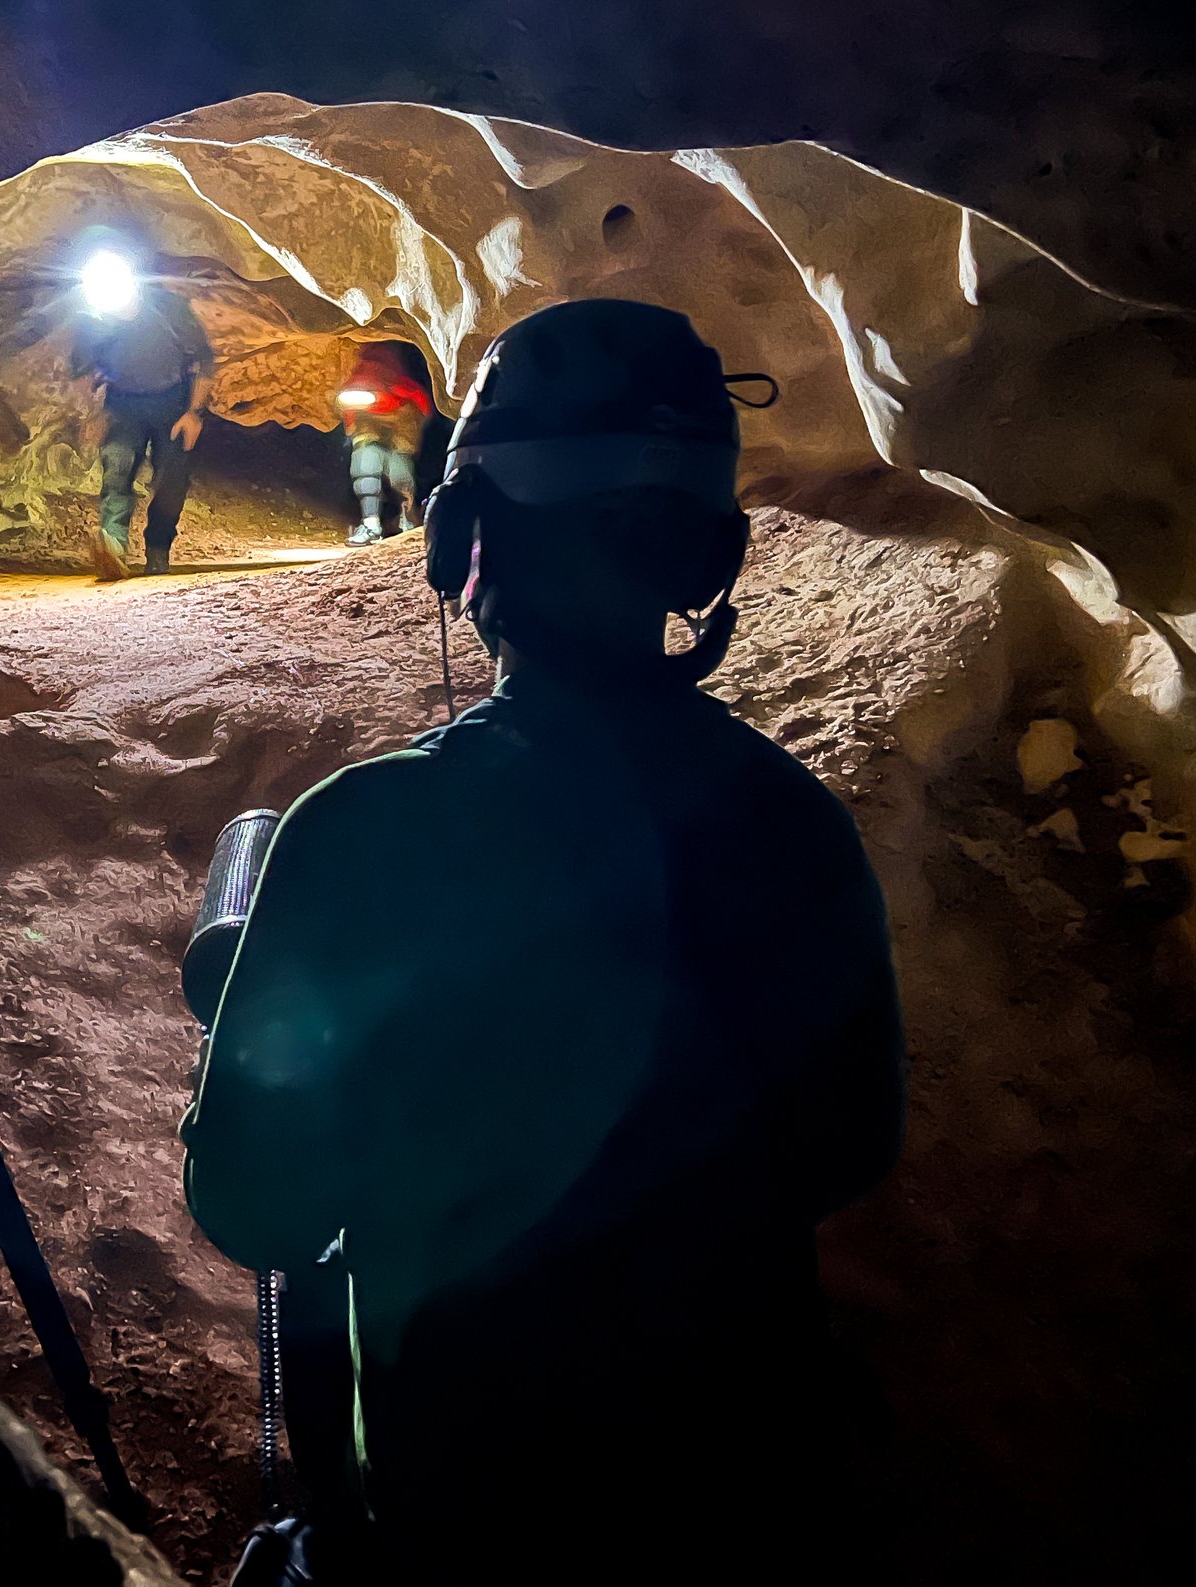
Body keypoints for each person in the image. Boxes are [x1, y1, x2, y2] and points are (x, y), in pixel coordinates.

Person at [181, 298, 906, 1579]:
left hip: (463, 1507)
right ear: (706, 560)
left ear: (463, 541)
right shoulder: (797, 826)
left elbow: (255, 1205)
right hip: (744, 1498)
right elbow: (847, 1144)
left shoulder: (364, 832)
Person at [65, 260, 216, 579]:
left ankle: (158, 550)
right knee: (116, 464)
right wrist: (93, 414)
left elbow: (204, 361)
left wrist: (194, 413)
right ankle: (114, 546)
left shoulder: (169, 310)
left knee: (172, 480)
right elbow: (84, 372)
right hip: (124, 403)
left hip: (172, 400)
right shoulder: (95, 321)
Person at [336, 340, 432, 545]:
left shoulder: (399, 383)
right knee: (366, 468)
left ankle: (407, 519)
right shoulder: (360, 379)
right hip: (369, 431)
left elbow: (422, 404)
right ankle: (371, 524)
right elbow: (347, 410)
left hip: (398, 432)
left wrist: (399, 402)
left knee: (400, 476)